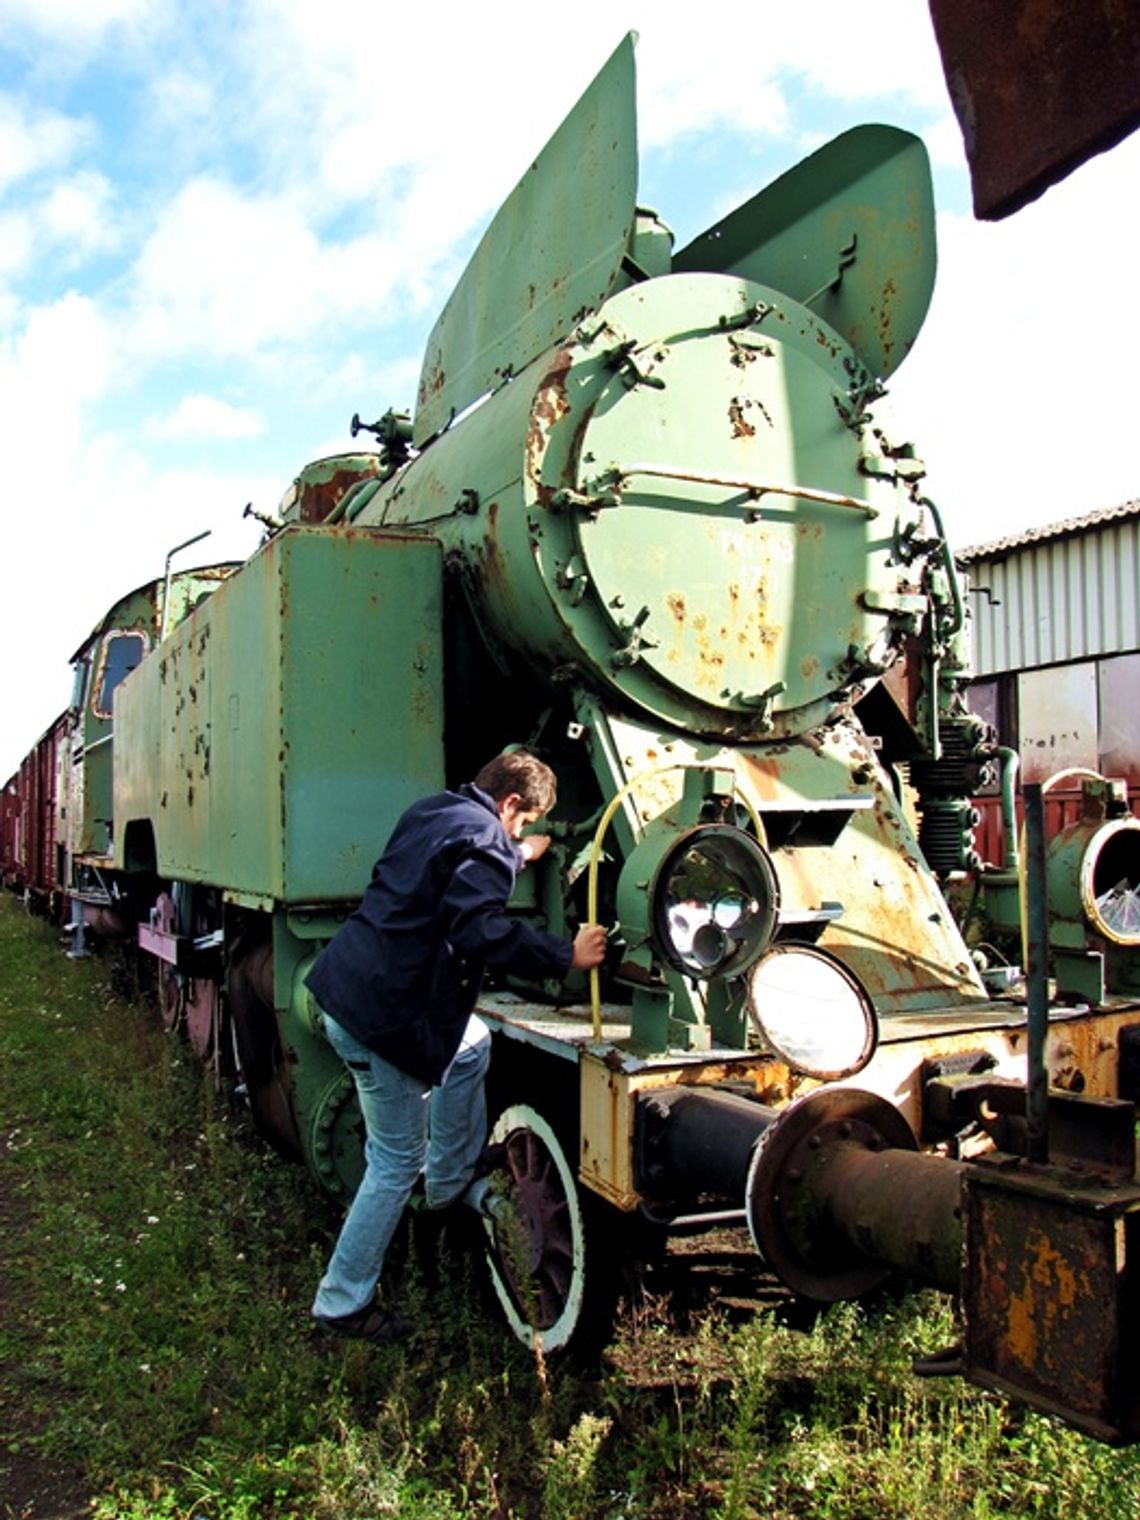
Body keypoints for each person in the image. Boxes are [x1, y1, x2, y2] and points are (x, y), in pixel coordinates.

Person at [306, 749, 608, 1344]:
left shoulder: (435, 811)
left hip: (348, 989)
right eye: (522, 823)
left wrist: (514, 853)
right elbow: (480, 930)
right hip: (387, 1020)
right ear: (511, 804)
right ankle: (343, 1301)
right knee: (393, 1164)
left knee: (470, 1045)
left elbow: (453, 864)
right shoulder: (488, 843)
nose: (520, 835)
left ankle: (449, 1178)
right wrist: (564, 954)